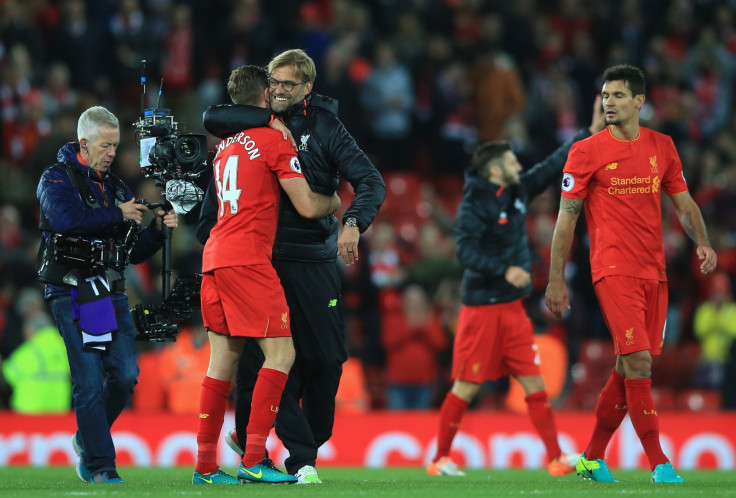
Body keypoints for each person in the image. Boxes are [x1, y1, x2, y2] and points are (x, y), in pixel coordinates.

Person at [200, 48, 385, 484]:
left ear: (307, 89)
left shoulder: (322, 126)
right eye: (273, 83)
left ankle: (275, 445)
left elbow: (371, 181)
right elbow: (215, 203)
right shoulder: (253, 129)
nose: (278, 90)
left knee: (326, 361)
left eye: (287, 84)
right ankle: (288, 456)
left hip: (311, 262)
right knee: (264, 362)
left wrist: (353, 222)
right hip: (258, 261)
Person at [545, 64, 718, 484]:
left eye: (618, 95)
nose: (608, 102)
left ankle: (590, 457)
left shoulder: (662, 146)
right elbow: (566, 219)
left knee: (627, 368)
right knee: (639, 363)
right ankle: (659, 463)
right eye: (605, 95)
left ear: (640, 101)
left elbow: (684, 203)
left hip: (653, 272)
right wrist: (555, 278)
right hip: (612, 268)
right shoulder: (585, 151)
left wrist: (703, 240)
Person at [427, 96, 605, 477]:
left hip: (513, 310)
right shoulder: (474, 203)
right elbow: (465, 252)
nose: (517, 164)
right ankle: (439, 458)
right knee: (465, 386)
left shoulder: (518, 191)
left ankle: (556, 457)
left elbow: (553, 164)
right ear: (494, 169)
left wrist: (589, 132)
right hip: (482, 309)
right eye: (510, 161)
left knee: (535, 385)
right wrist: (504, 270)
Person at [36, 105, 178, 483]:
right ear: (83, 143)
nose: (113, 153)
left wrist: (158, 231)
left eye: (116, 145)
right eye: (105, 145)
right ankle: (100, 465)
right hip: (71, 289)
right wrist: (118, 213)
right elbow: (66, 221)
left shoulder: (116, 187)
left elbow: (130, 253)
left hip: (106, 290)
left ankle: (87, 437)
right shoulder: (55, 179)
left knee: (126, 375)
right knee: (86, 377)